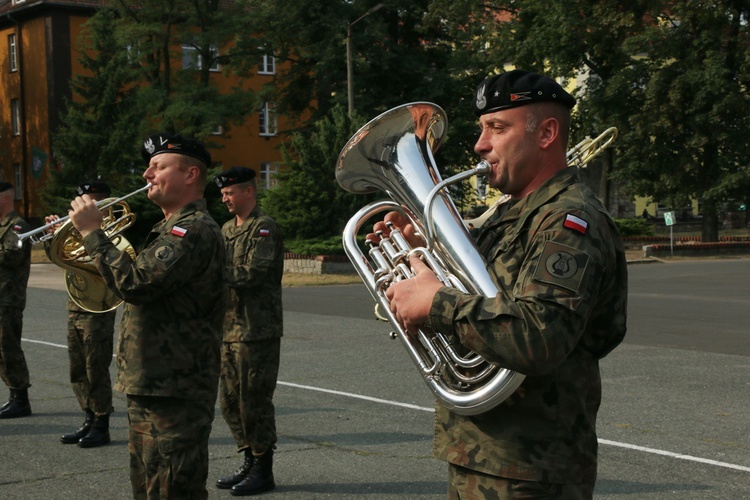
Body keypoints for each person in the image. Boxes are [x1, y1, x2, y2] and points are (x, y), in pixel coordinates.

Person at [371, 70, 628, 498]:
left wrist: (436, 302)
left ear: (547, 133)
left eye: (497, 128)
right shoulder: (512, 214)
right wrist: (422, 254)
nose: (480, 144)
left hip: (532, 468)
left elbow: (540, 337)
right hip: (482, 452)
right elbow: (483, 297)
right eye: (481, 129)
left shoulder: (567, 222)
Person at [68, 133, 227, 498]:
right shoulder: (168, 229)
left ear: (190, 175)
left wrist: (93, 233)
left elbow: (136, 284)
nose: (146, 175)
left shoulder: (191, 230)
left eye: (158, 166)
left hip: (174, 389)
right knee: (150, 489)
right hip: (154, 386)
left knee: (172, 490)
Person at [214, 166, 284, 496]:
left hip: (257, 329)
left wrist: (211, 270)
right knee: (229, 402)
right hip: (228, 329)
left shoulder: (263, 227)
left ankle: (263, 468)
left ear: (248, 192)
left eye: (229, 192)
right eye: (223, 193)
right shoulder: (226, 228)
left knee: (253, 401)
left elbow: (254, 272)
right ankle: (248, 460)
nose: (224, 198)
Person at [45, 180, 117, 447]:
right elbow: (63, 260)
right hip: (75, 304)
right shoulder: (80, 229)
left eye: (86, 201)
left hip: (98, 306)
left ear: (98, 202)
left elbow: (105, 264)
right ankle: (88, 416)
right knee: (77, 368)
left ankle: (102, 423)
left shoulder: (106, 230)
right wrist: (55, 236)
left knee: (95, 367)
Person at [0, 182, 32, 419]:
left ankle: (20, 399)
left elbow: (11, 255)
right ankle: (14, 396)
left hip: (8, 298)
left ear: (5, 199)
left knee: (8, 348)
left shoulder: (17, 225)